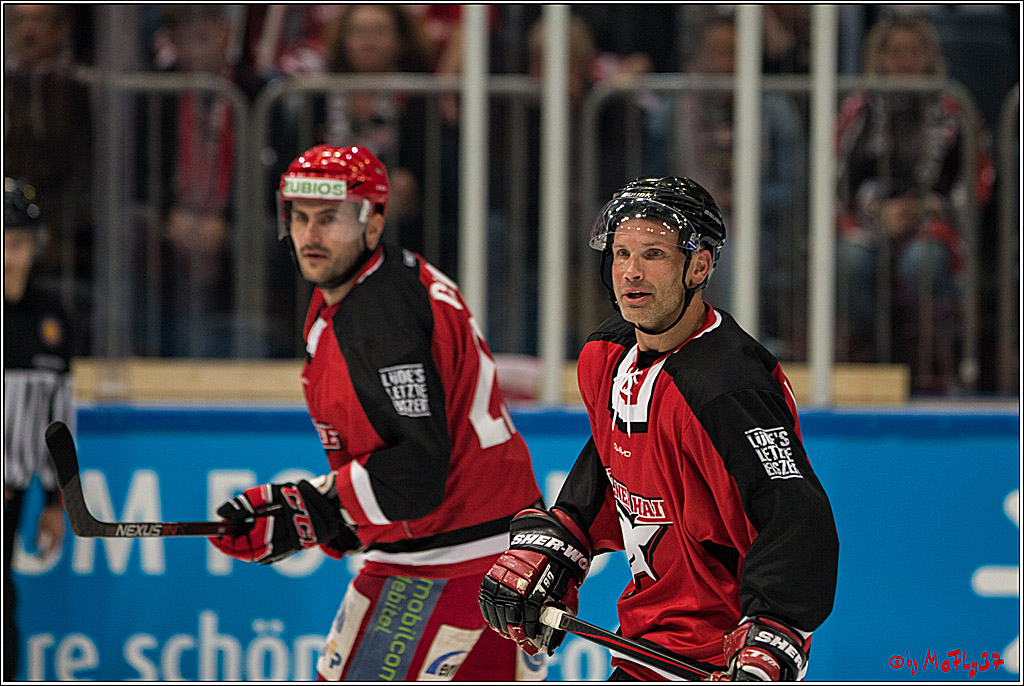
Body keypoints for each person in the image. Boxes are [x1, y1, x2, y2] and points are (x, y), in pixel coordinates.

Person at [478, 177, 839, 681]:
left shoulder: (727, 389)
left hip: (714, 658)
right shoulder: (605, 355)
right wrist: (564, 538)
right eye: (621, 252)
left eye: (653, 254)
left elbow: (793, 515)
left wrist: (775, 630)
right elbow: (618, 458)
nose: (631, 272)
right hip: (646, 645)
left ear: (699, 265)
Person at [208, 145, 546, 681]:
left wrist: (309, 511)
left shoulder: (380, 315)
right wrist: (322, 518)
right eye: (299, 217)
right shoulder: (378, 285)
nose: (310, 235)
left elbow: (415, 473)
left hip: (451, 559)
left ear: (373, 222)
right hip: (486, 548)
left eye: (330, 218)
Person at [835, 13, 994, 392]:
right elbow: (837, 179)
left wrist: (922, 210)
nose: (904, 62)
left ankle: (936, 365)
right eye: (894, 52)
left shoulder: (956, 109)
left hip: (934, 227)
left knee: (922, 262)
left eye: (914, 52)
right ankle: (874, 361)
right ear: (878, 57)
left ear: (931, 57)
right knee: (850, 262)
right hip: (870, 225)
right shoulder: (858, 109)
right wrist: (877, 211)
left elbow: (977, 183)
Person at [3, 178, 75, 682]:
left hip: (15, 492)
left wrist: (55, 500)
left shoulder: (53, 316)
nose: (12, 257)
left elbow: (59, 416)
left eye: (21, 243)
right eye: (4, 243)